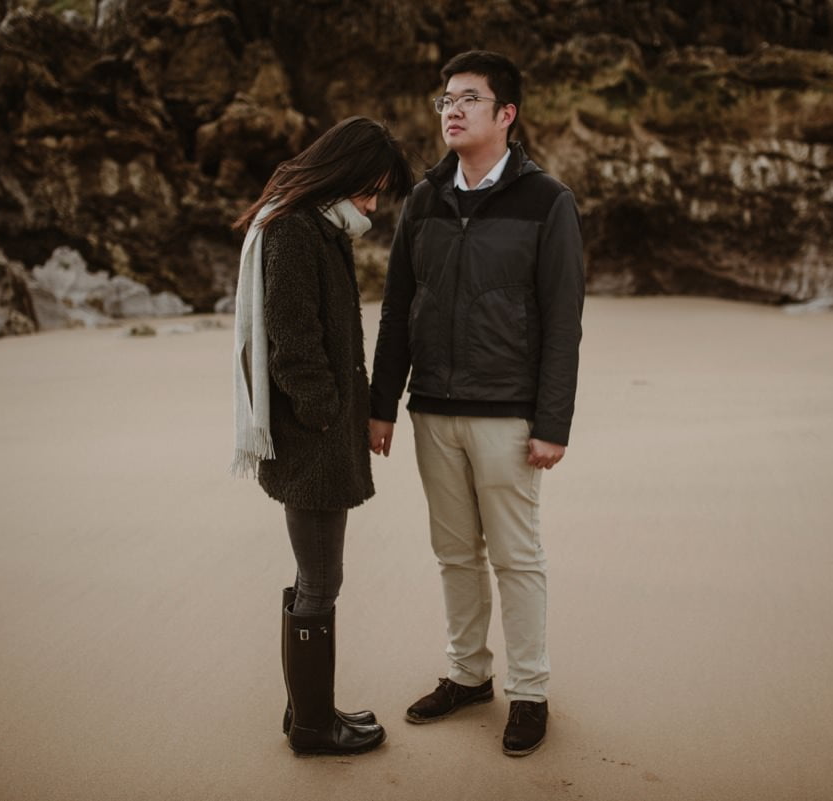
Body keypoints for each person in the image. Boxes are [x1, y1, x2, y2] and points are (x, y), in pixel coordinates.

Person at [369, 51, 585, 757]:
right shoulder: (425, 198)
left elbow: (562, 319)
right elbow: (398, 305)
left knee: (517, 557)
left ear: (506, 114)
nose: (451, 110)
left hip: (508, 413)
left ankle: (529, 691)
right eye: (445, 100)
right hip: (432, 407)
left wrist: (553, 422)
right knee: (454, 553)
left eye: (468, 99)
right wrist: (382, 404)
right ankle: (468, 675)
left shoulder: (547, 200)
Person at [231, 116, 413, 757]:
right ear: (343, 173)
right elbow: (293, 339)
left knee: (316, 577)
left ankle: (306, 711)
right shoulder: (295, 231)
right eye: (370, 189)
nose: (372, 204)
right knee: (320, 581)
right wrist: (325, 412)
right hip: (312, 440)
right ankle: (313, 726)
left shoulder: (317, 226)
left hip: (318, 435)